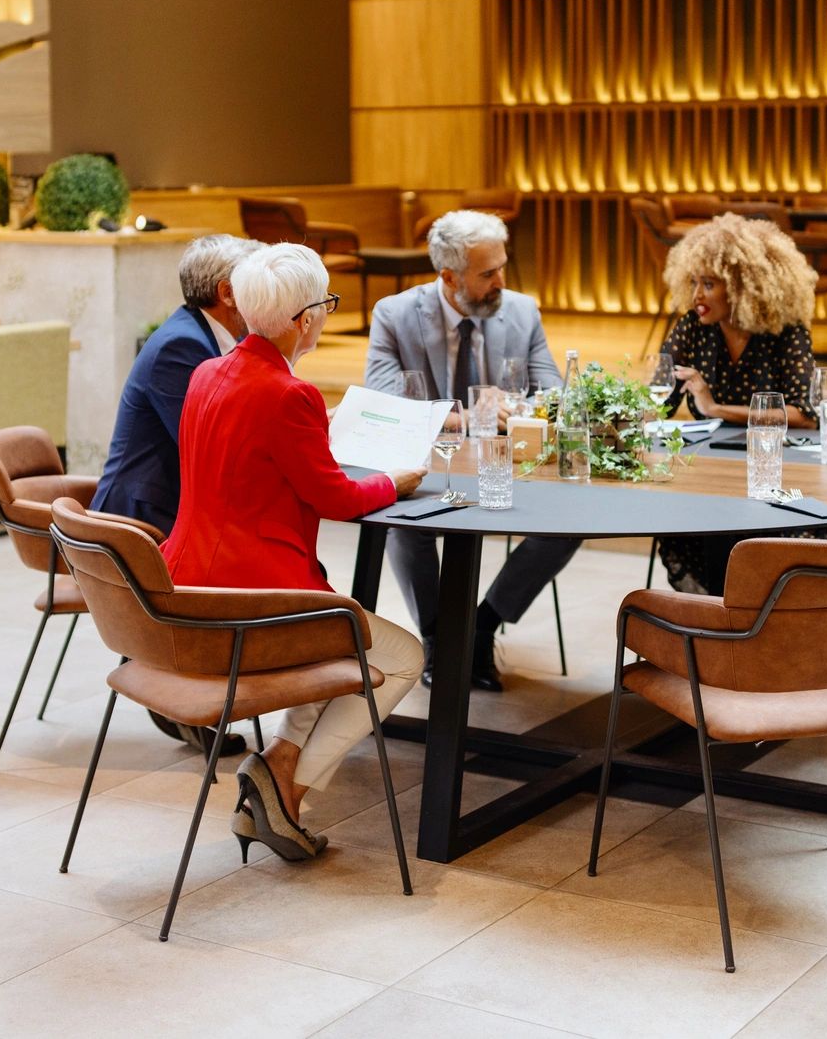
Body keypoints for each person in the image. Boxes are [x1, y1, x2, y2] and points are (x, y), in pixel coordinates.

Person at [165, 242, 427, 862]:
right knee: (403, 657)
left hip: (187, 587)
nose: (327, 317)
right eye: (327, 306)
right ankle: (288, 783)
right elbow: (336, 497)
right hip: (254, 599)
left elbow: (254, 455)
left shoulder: (210, 370)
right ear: (304, 319)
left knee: (344, 641)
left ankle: (279, 762)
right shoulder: (290, 395)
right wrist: (395, 481)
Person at [364, 209, 575, 689]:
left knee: (570, 522)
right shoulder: (395, 315)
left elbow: (553, 394)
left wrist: (519, 405)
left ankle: (481, 627)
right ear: (448, 277)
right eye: (488, 273)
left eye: (503, 266)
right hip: (431, 471)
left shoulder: (521, 311)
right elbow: (383, 402)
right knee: (404, 523)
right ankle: (439, 639)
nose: (501, 280)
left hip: (506, 470)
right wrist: (471, 415)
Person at [93, 232, 263, 754]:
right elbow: (208, 447)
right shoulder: (183, 345)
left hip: (166, 502)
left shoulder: (207, 334)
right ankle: (184, 686)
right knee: (258, 556)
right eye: (258, 279)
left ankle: (201, 682)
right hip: (143, 517)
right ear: (228, 291)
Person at [657, 214, 821, 595]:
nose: (696, 295)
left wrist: (716, 409)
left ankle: (748, 626)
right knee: (693, 522)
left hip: (777, 471)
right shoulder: (691, 328)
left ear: (744, 287)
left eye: (709, 284)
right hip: (710, 471)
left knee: (747, 530)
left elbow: (805, 416)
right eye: (694, 282)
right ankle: (720, 628)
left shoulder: (786, 333)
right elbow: (659, 402)